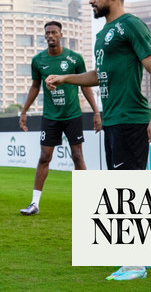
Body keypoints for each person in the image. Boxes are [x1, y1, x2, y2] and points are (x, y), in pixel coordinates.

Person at [46, 0, 151, 281]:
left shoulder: (131, 25)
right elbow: (101, 75)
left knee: (126, 191)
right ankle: (145, 255)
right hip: (113, 122)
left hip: (131, 120)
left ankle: (135, 264)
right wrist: (66, 78)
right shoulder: (103, 34)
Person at [18, 21, 102, 216]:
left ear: (61, 35)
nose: (50, 36)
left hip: (72, 115)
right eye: (47, 33)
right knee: (44, 157)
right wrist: (24, 112)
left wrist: (96, 112)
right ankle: (34, 203)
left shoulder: (74, 59)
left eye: (54, 32)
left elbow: (86, 85)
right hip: (50, 116)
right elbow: (35, 87)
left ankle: (88, 201)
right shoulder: (38, 60)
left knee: (77, 156)